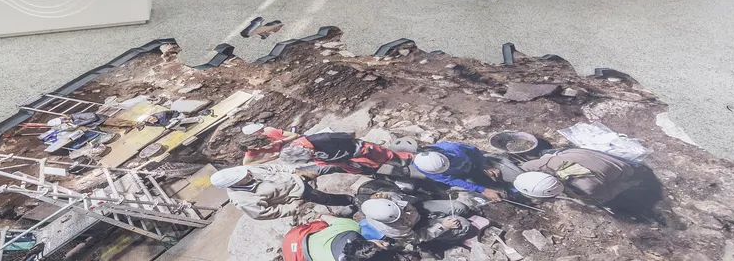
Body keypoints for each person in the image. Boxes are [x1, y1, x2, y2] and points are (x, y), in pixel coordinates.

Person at [210, 164, 353, 220]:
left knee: (327, 167)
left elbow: (272, 167)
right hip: (299, 193)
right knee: (325, 198)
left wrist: (297, 170)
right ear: (234, 184)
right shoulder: (243, 199)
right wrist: (293, 207)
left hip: (294, 176)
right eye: (244, 177)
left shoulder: (245, 171)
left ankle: (360, 168)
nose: (249, 174)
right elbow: (263, 213)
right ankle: (351, 200)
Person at [517, 148, 645, 204]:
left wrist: (630, 183)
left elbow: (609, 193)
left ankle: (634, 180)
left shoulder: (587, 188)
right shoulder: (534, 165)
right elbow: (524, 168)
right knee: (547, 155)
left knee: (593, 201)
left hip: (619, 165)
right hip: (579, 151)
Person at [360, 193, 472, 245]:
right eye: (398, 218)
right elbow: (416, 238)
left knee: (460, 207)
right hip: (419, 228)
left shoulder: (384, 199)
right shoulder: (392, 230)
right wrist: (443, 226)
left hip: (419, 210)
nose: (402, 215)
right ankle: (450, 239)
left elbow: (411, 198)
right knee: (463, 224)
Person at [411, 142, 510, 201]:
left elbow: (474, 151)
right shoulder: (425, 167)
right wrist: (483, 190)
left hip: (474, 163)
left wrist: (485, 165)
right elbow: (452, 180)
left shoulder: (452, 149)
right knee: (475, 195)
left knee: (506, 171)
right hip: (462, 176)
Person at [279, 132, 412, 175]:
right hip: (350, 159)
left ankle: (407, 161)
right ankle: (391, 169)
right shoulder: (308, 156)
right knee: (371, 167)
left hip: (358, 148)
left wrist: (352, 139)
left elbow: (344, 136)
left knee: (385, 156)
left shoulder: (317, 139)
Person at [282, 216, 394, 261]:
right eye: (383, 244)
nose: (386, 244)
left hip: (296, 237)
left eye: (382, 244)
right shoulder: (349, 230)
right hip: (295, 241)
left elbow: (323, 217)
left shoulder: (349, 228)